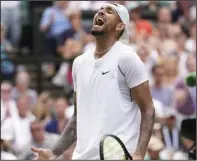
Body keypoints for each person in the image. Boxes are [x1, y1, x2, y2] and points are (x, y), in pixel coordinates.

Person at [32, 3, 155, 160]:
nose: (101, 12)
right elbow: (78, 117)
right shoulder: (79, 63)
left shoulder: (127, 58)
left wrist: (139, 153)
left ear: (120, 26)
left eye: (109, 11)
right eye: (100, 9)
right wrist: (53, 152)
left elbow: (148, 109)